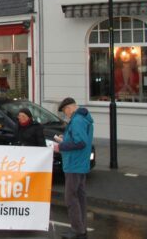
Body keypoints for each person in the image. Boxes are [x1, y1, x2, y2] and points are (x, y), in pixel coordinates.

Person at [53, 97, 94, 239]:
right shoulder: (83, 119)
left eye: (65, 111)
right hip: (80, 163)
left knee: (70, 197)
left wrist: (60, 146)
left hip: (74, 163)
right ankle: (81, 227)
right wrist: (64, 139)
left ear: (70, 108)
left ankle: (77, 229)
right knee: (80, 196)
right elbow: (79, 140)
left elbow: (80, 142)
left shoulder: (77, 121)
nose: (65, 114)